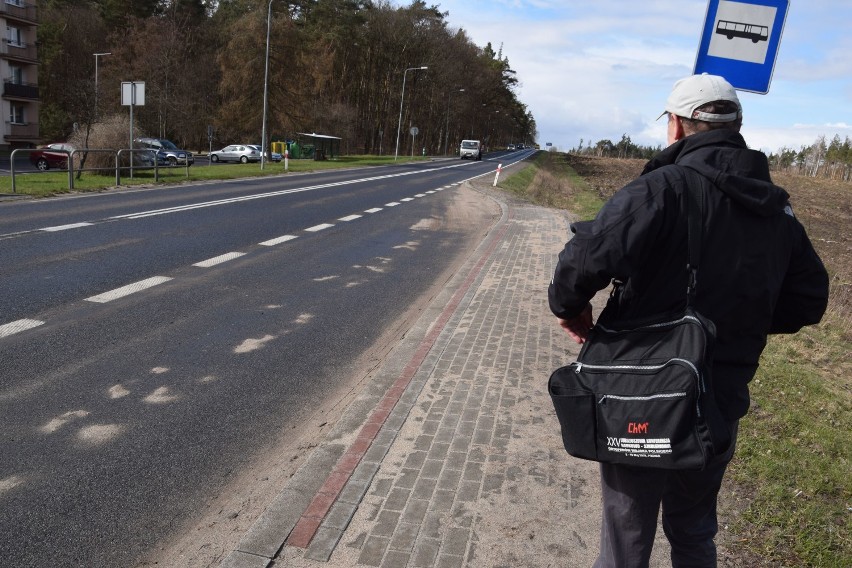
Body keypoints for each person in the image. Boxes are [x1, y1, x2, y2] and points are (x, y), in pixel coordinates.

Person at [547, 73, 829, 567]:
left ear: (676, 126)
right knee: (695, 531)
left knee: (626, 538)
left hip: (643, 390)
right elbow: (808, 300)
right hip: (720, 395)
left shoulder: (662, 188)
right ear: (736, 126)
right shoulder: (776, 209)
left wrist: (572, 309)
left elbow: (584, 259)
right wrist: (743, 322)